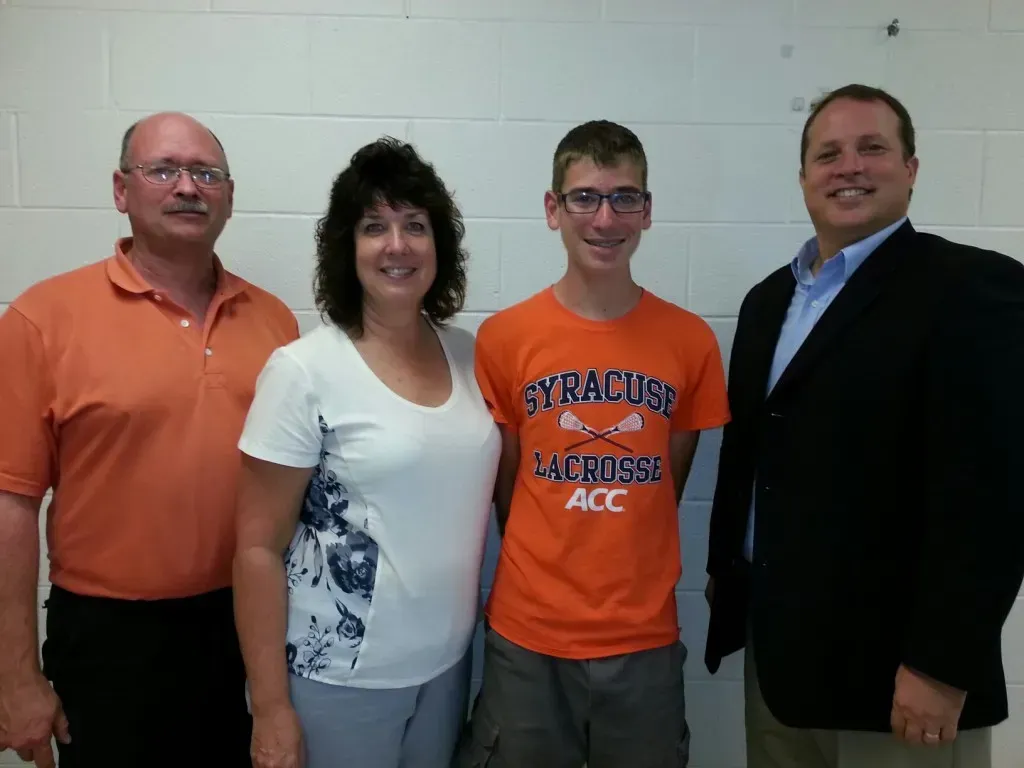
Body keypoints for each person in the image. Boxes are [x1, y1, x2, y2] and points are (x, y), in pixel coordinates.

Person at [704, 83, 1024, 768]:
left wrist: (942, 665)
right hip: (782, 671)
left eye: (871, 148)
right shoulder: (768, 303)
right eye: (828, 154)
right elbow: (751, 461)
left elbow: (996, 496)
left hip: (902, 687)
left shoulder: (972, 289)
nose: (848, 166)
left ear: (910, 168)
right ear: (803, 178)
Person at [0, 112, 298, 768]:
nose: (188, 187)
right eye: (163, 170)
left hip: (246, 627)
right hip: (109, 641)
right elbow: (11, 507)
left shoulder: (275, 322)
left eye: (206, 173)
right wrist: (16, 678)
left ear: (229, 195)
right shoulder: (42, 319)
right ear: (120, 190)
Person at [454, 120, 731, 768]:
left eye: (624, 197)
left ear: (648, 211)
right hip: (527, 638)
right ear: (553, 209)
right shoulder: (505, 337)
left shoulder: (690, 343)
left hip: (643, 640)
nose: (605, 217)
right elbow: (510, 491)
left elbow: (668, 481)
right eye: (584, 197)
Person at [232, 136, 500, 768]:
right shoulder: (303, 370)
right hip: (338, 678)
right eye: (374, 227)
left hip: (447, 666)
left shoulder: (467, 355)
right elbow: (255, 549)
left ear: (441, 246)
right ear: (346, 248)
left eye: (415, 226)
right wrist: (271, 709)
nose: (397, 245)